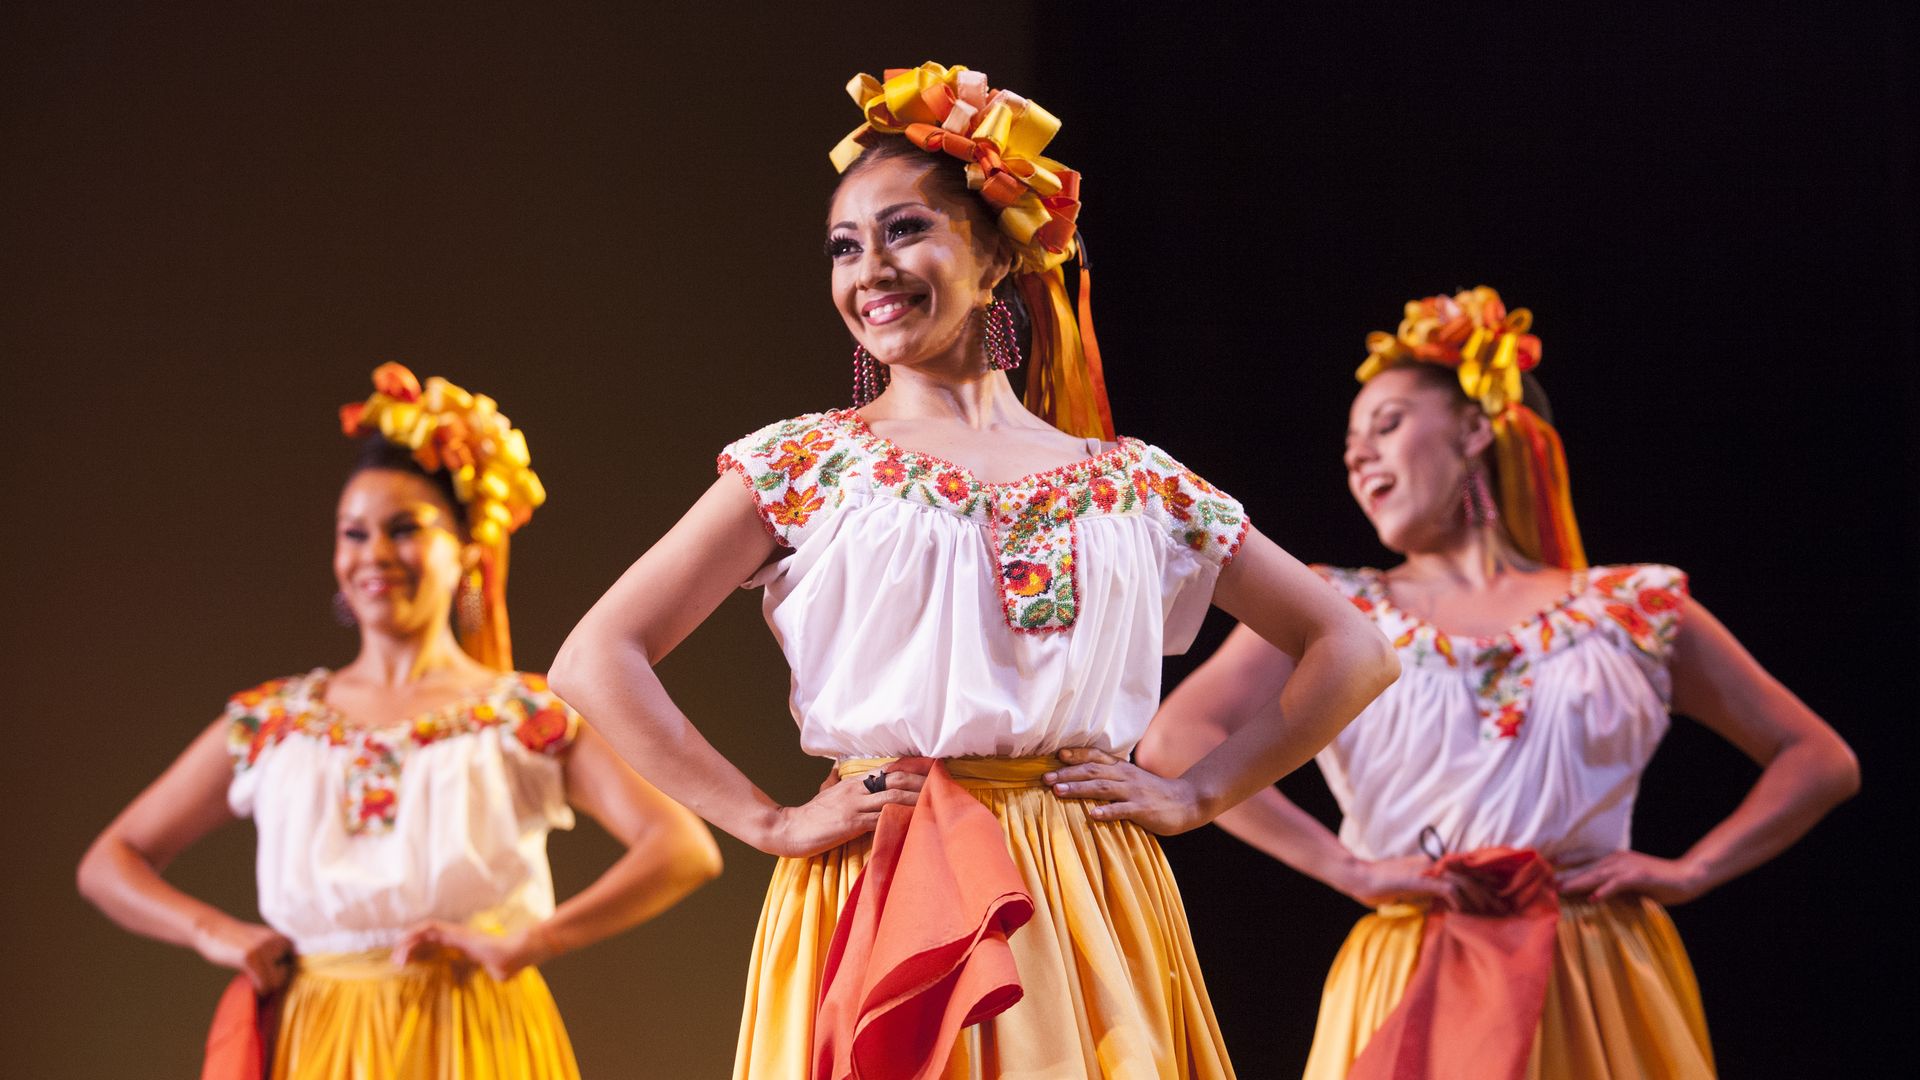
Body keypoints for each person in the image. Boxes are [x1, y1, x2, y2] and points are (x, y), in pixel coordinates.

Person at [549, 62, 1398, 1079]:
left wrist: (1201, 791)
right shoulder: (809, 463)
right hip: (894, 868)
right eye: (844, 247)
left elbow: (1351, 646)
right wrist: (768, 820)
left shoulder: (1134, 483)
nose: (871, 270)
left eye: (906, 230)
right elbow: (597, 656)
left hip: (1084, 883)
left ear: (999, 255)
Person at [1136, 287, 1861, 1079]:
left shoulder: (1633, 608)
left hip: (1591, 962)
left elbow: (1818, 757)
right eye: (1350, 441)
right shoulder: (1343, 612)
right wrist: (1347, 869)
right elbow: (1176, 738)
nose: (1358, 455)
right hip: (1416, 950)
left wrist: (1693, 870)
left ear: (1476, 429)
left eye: (1387, 424)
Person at [77, 363, 722, 1080]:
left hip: (474, 1032)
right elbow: (111, 861)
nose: (374, 554)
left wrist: (534, 942)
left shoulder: (522, 714)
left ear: (468, 553)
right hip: (315, 1034)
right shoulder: (275, 720)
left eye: (405, 529)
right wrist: (214, 932)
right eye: (353, 534)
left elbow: (683, 848)